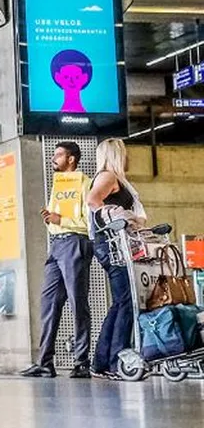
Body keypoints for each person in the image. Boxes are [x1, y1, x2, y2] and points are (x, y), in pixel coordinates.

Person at [21, 141, 93, 379]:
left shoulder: (85, 184)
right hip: (57, 244)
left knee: (77, 302)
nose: (54, 158)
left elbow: (87, 223)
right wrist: (51, 220)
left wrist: (60, 220)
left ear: (71, 159)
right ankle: (44, 362)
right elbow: (58, 217)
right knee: (49, 303)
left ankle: (82, 361)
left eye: (59, 155)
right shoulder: (58, 185)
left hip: (75, 241)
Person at [87, 138, 146, 380]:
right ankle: (115, 359)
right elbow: (93, 200)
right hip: (112, 246)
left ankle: (101, 361)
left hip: (111, 246)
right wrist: (113, 214)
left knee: (120, 302)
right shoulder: (108, 176)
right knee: (127, 302)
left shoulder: (113, 178)